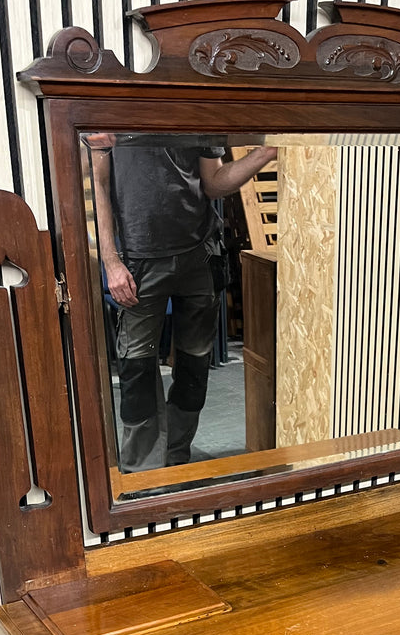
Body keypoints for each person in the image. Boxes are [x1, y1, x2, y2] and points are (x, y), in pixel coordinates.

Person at [89, 133, 277, 471]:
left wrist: (265, 154)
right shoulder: (114, 109)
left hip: (199, 255)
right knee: (137, 370)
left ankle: (176, 461)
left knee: (195, 366)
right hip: (138, 259)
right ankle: (143, 476)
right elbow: (100, 187)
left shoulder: (195, 111)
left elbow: (214, 183)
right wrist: (111, 262)